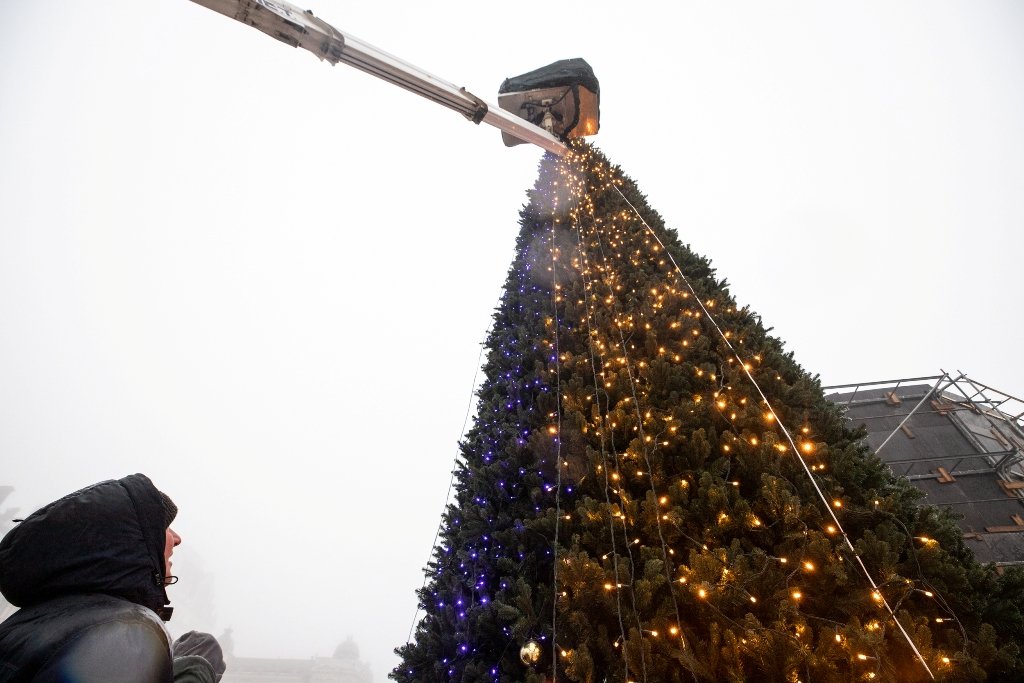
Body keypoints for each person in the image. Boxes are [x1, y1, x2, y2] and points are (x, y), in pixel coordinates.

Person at [0, 473, 226, 682]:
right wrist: (196, 672)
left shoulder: (29, 621)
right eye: (165, 527)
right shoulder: (126, 631)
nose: (177, 539)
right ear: (134, 542)